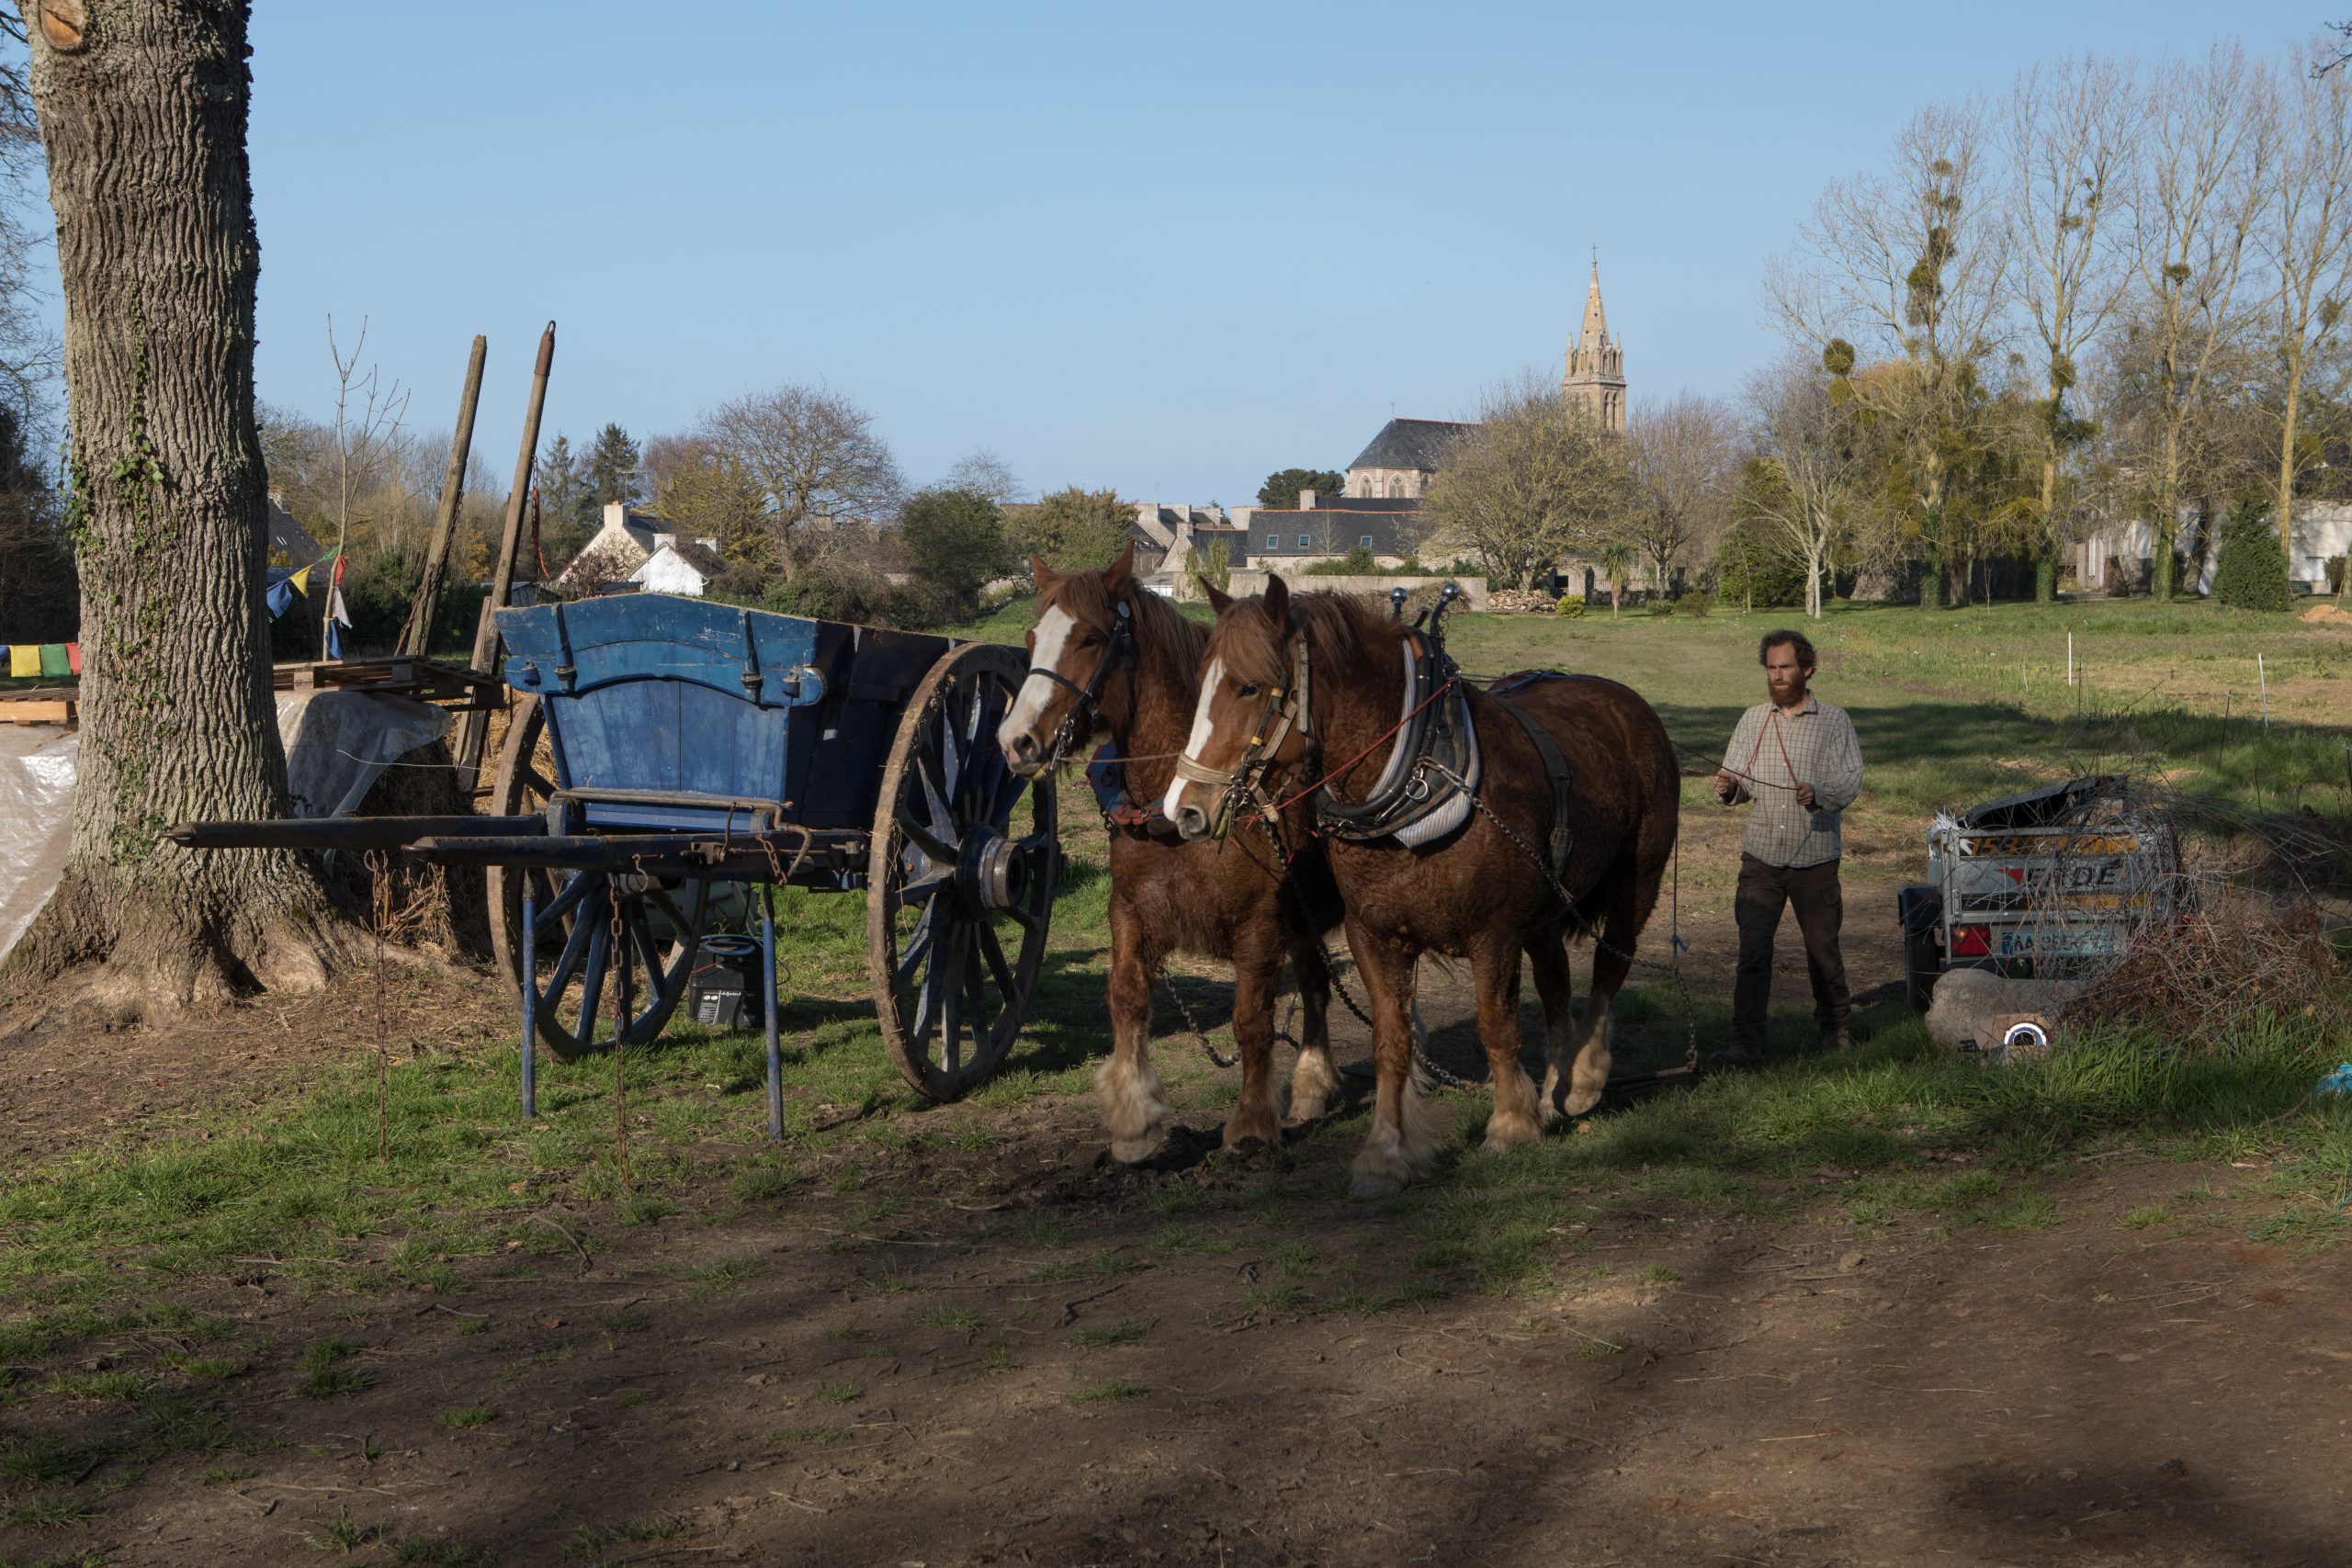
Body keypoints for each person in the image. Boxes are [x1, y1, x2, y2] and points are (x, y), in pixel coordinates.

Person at [1708, 629, 1864, 1068]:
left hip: (1815, 857)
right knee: (1753, 952)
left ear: (1807, 669)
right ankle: (1747, 1044)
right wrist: (1727, 787)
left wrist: (1819, 793)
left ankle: (1835, 1032)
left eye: (1786, 667)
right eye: (1771, 668)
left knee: (1823, 951)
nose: (1777, 676)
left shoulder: (1834, 720)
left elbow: (1851, 779)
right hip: (1761, 856)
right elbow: (1735, 783)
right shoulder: (1753, 720)